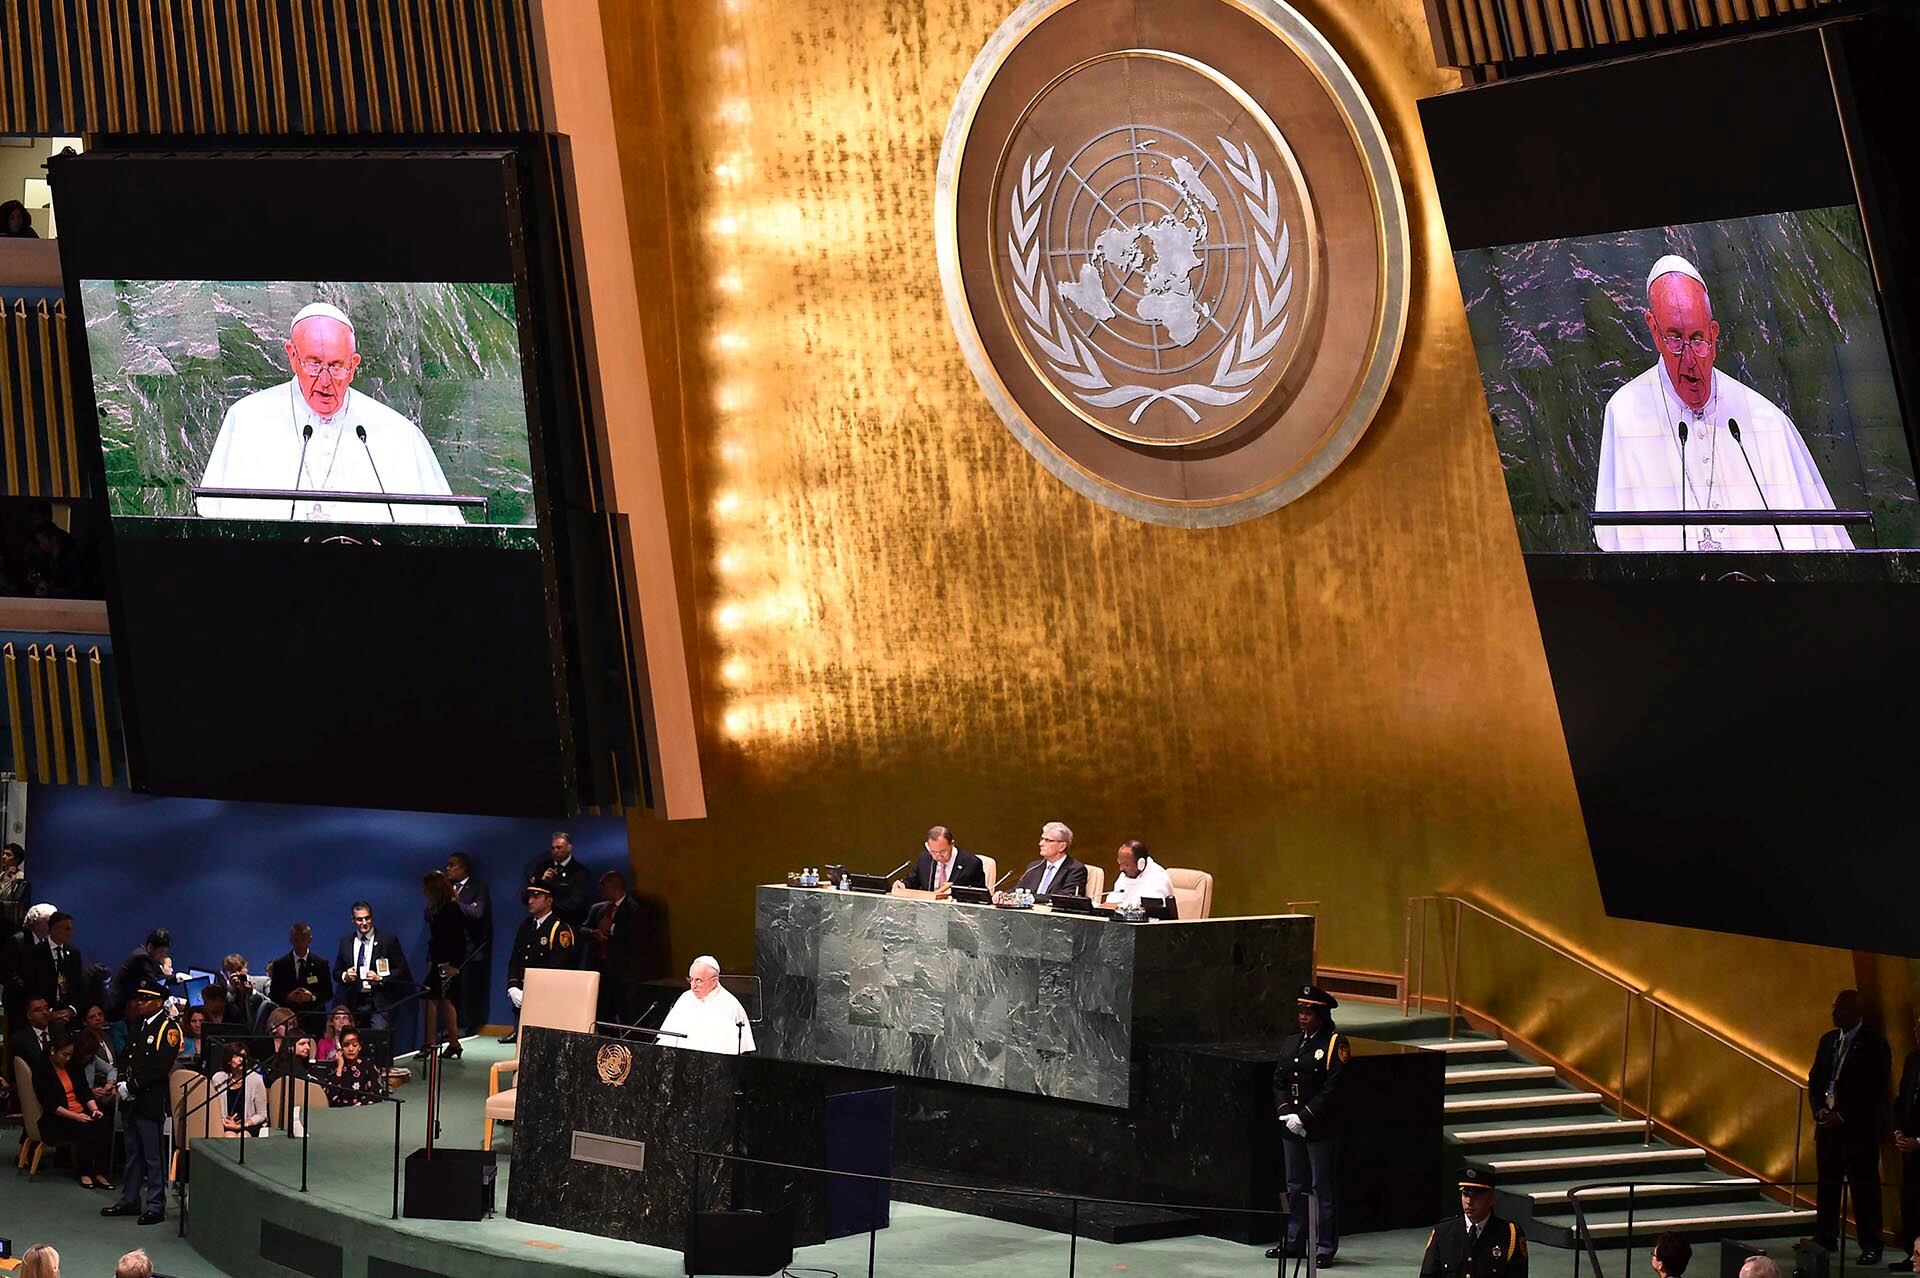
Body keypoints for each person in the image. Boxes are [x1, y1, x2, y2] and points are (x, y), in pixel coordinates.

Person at [1594, 254, 1851, 551]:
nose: (1689, 360)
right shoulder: (1625, 414)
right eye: (1675, 339)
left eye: (1698, 339)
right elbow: (1614, 550)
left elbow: (1823, 551)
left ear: (1714, 335)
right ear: (1654, 330)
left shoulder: (1766, 421)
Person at [196, 302, 462, 523]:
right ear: (292, 356)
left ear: (354, 365)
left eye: (336, 366)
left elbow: (441, 530)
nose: (325, 381)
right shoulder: (246, 420)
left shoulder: (399, 434)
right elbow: (212, 525)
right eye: (313, 364)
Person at [1267, 985, 1349, 1264]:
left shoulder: (1334, 1044)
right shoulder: (1292, 1042)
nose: (1302, 1016)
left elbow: (1333, 1089)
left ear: (1322, 1015)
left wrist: (1304, 1116)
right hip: (1291, 1126)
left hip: (1320, 1127)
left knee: (1321, 1187)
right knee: (1294, 1185)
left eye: (1309, 1012)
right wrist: (1286, 1113)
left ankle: (1323, 1248)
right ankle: (1293, 1242)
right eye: (1301, 1011)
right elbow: (1279, 1081)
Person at [1811, 988, 1891, 1261]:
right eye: (1833, 1007)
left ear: (1855, 1011)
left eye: (1839, 1008)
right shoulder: (1828, 1041)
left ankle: (1871, 1244)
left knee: (1864, 1189)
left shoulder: (1874, 1044)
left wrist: (1843, 1115)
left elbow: (1875, 1090)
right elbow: (1815, 1080)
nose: (1833, 1013)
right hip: (1827, 1131)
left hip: (1859, 1133)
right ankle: (1825, 1238)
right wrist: (1819, 1110)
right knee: (1827, 1187)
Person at [101, 981, 181, 1225]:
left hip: (149, 1100)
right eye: (139, 999)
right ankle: (130, 1200)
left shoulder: (168, 1028)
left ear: (159, 1002)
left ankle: (156, 1205)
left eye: (146, 999)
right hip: (130, 1100)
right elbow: (126, 1057)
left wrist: (132, 1086)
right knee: (133, 1153)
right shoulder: (138, 1024)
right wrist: (121, 1082)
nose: (140, 1003)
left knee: (152, 1156)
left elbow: (160, 1067)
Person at [1419, 1166, 1528, 1278]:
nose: (1469, 1202)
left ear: (1491, 1199)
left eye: (1477, 1195)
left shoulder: (1509, 1235)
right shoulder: (1443, 1232)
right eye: (1465, 1194)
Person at [33, 1035, 114, 1186]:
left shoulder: (73, 1066)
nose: (68, 1058)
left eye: (70, 1055)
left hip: (80, 1111)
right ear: (53, 1050)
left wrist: (95, 1109)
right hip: (58, 1118)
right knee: (85, 1129)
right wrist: (77, 1117)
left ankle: (98, 1172)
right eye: (65, 1054)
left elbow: (85, 1092)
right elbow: (51, 1105)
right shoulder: (42, 1071)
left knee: (104, 1122)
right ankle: (85, 1172)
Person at [502, 880, 578, 1042]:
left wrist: (533, 992)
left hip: (547, 1000)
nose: (530, 901)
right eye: (529, 897)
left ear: (549, 900)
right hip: (522, 996)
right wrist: (513, 987)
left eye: (536, 897)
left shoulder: (559, 929)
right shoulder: (526, 925)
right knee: (522, 1046)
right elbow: (515, 959)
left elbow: (558, 969)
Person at [334, 901, 411, 1030]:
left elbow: (401, 970)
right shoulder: (345, 942)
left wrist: (380, 978)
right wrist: (345, 976)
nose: (364, 923)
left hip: (380, 1002)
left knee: (378, 1038)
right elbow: (336, 972)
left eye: (367, 918)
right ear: (353, 920)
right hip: (354, 1002)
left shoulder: (387, 940)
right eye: (359, 919)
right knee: (354, 1038)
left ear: (372, 917)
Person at [660, 956, 755, 1055]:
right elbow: (666, 1040)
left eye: (698, 980)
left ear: (714, 981)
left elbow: (728, 1054)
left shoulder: (730, 1006)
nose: (693, 986)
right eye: (691, 979)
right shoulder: (685, 998)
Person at [586, 869, 646, 1024]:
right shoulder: (598, 909)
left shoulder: (634, 908)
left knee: (627, 1015)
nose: (599, 889)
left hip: (623, 974)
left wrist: (611, 928)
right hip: (600, 972)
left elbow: (637, 936)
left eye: (602, 885)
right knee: (603, 1015)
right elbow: (582, 929)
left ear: (614, 886)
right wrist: (593, 932)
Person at [421, 869, 466, 1059]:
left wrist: (454, 965)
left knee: (441, 999)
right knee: (435, 998)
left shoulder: (451, 909)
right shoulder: (435, 909)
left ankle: (441, 1043)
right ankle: (442, 1043)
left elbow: (459, 939)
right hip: (438, 959)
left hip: (448, 961)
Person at [445, 852, 491, 1036]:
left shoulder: (478, 888)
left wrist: (456, 903)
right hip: (448, 951)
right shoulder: (445, 888)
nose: (448, 869)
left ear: (463, 867)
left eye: (452, 865)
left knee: (467, 991)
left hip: (470, 951)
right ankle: (449, 1027)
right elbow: (430, 912)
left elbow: (478, 913)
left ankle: (465, 1028)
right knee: (448, 992)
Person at [267, 922, 334, 1034]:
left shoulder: (321, 964)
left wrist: (312, 997)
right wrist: (288, 997)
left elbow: (328, 993)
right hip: (288, 1019)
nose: (300, 943)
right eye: (296, 939)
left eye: (303, 939)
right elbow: (273, 994)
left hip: (314, 1020)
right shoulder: (280, 965)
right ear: (291, 940)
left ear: (310, 939)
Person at [524, 831, 593, 927]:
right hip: (543, 923)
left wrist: (547, 906)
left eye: (559, 847)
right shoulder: (542, 868)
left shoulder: (580, 872)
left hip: (568, 923)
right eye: (553, 848)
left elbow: (576, 902)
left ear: (569, 848)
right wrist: (542, 882)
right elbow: (529, 896)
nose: (555, 851)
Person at [1895, 1017, 1920, 1267]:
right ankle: (1913, 1255)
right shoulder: (1912, 1060)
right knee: (1911, 1204)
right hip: (1910, 1151)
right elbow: (1902, 1099)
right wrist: (1898, 1130)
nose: (1916, 1032)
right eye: (1916, 1027)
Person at [898, 826, 986, 897]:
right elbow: (912, 881)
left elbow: (980, 895)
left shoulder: (971, 864)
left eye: (942, 852)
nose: (938, 856)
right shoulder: (924, 858)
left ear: (952, 844)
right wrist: (902, 885)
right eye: (933, 852)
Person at [107, 929, 172, 1022]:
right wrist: (172, 999)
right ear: (150, 947)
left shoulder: (150, 957)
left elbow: (160, 976)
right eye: (161, 952)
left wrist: (177, 978)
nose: (163, 955)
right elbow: (154, 983)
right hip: (118, 1008)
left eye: (165, 952)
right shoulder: (141, 958)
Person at [27, 909, 83, 1012]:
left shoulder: (74, 953)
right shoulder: (35, 953)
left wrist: (71, 1010)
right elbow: (31, 986)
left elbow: (78, 985)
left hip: (67, 1011)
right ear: (54, 929)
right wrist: (46, 1010)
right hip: (44, 1011)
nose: (70, 933)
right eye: (67, 929)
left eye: (71, 929)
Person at [1014, 822, 1088, 897]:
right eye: (1042, 839)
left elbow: (1066, 897)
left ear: (1062, 846)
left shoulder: (1076, 869)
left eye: (1047, 840)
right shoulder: (1033, 867)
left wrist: (1031, 898)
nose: (1041, 844)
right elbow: (1018, 890)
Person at [210, 1041, 266, 1136]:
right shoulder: (218, 1079)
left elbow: (262, 1115)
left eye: (244, 1056)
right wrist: (223, 1121)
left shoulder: (255, 1079)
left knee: (242, 1136)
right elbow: (213, 1110)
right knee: (229, 1136)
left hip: (249, 1125)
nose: (241, 1059)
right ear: (228, 1060)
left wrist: (242, 1125)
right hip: (225, 1124)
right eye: (236, 1056)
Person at [1100, 839, 1174, 911]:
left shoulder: (1158, 877)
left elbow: (1151, 910)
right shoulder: (1125, 874)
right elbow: (1113, 900)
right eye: (1120, 863)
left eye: (1126, 865)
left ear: (1140, 863)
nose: (1121, 869)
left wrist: (1120, 907)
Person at [323, 1028, 385, 1106]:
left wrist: (360, 1105)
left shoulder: (368, 1065)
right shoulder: (333, 1067)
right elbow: (329, 1097)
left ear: (359, 1047)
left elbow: (377, 1092)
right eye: (346, 1045)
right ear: (341, 1048)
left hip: (362, 1109)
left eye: (354, 1045)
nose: (351, 1049)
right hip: (339, 1110)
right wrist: (339, 1068)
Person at [9, 995, 53, 1067]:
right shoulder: (19, 1039)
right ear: (29, 1015)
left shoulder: (58, 1032)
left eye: (46, 1008)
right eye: (38, 1010)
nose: (45, 1012)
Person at [0, 842, 28, 932]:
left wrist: (11, 879)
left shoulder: (20, 877)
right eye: (4, 854)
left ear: (16, 859)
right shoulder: (2, 875)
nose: (4, 857)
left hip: (10, 919)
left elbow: (12, 897)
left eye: (8, 855)